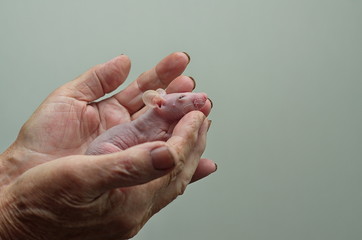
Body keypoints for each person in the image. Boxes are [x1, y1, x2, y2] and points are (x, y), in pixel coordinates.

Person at [0, 52, 216, 240]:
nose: (193, 99)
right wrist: (12, 227)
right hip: (105, 152)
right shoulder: (155, 119)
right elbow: (155, 140)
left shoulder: (157, 118)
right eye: (181, 99)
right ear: (158, 103)